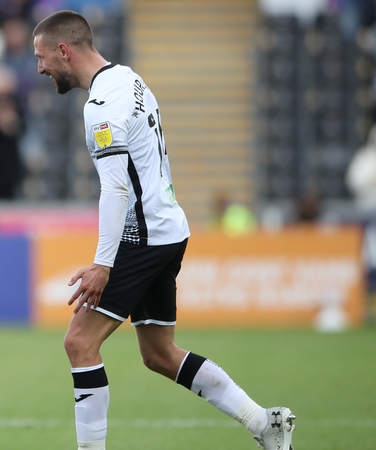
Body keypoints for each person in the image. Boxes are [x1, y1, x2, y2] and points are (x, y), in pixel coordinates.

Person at [32, 11, 295, 450]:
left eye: (42, 57)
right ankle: (264, 423)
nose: (39, 68)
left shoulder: (101, 107)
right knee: (159, 354)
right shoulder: (129, 79)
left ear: (64, 51)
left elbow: (116, 189)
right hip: (169, 228)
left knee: (79, 342)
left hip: (146, 236)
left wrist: (103, 263)